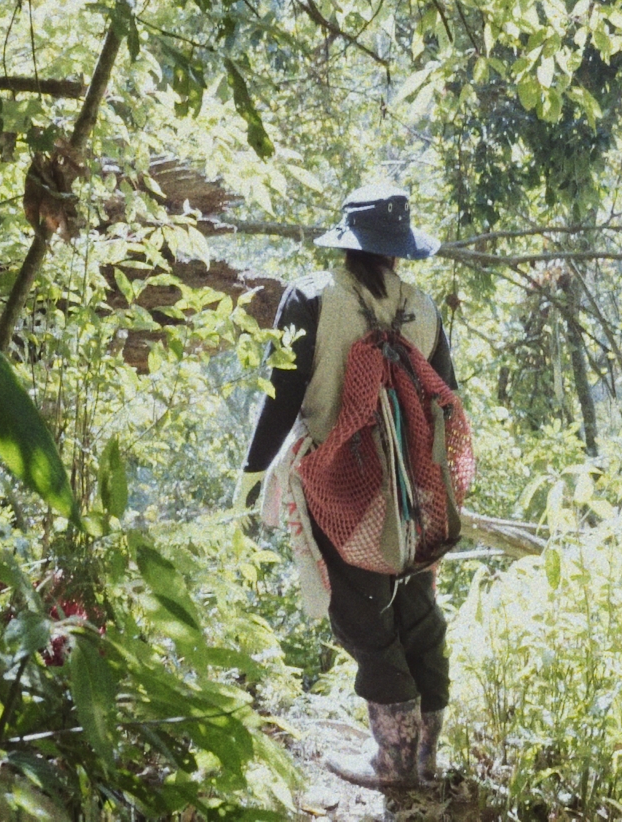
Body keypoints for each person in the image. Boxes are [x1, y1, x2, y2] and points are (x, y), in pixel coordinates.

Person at [238, 184, 463, 791]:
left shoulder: (312, 299)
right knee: (418, 611)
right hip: (417, 490)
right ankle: (424, 758)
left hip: (341, 486)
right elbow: (446, 400)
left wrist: (251, 480)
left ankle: (391, 763)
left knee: (364, 614)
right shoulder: (424, 308)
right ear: (399, 250)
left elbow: (280, 402)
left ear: (347, 241)